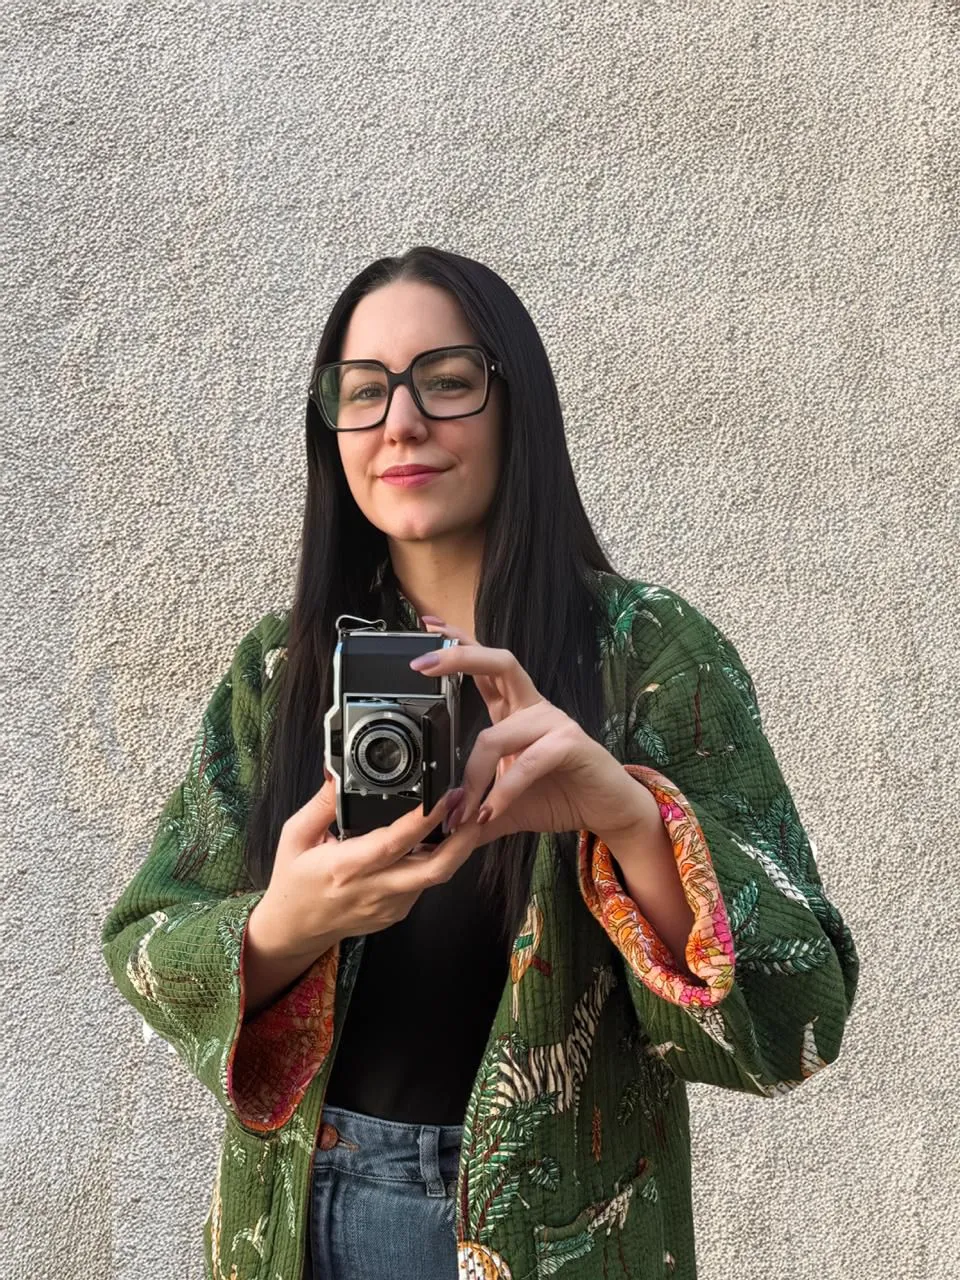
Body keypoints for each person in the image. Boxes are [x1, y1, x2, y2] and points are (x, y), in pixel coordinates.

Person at [100, 246, 860, 1280]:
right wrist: (283, 927)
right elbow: (149, 938)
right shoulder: (282, 669)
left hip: (563, 1229)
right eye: (362, 392)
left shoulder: (649, 654)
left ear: (516, 404)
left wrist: (630, 820)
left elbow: (798, 1008)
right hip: (303, 1215)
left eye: (446, 380)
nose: (400, 422)